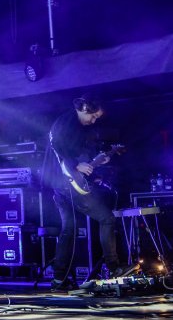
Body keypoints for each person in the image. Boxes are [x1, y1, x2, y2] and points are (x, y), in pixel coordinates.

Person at [41, 92, 132, 291]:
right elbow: (57, 148)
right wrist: (76, 165)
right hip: (66, 184)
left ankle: (58, 279)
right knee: (107, 218)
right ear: (83, 108)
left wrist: (96, 165)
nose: (93, 120)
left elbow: (77, 158)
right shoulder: (67, 123)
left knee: (69, 229)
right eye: (93, 115)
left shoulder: (76, 127)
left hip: (60, 183)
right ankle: (114, 268)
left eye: (97, 117)